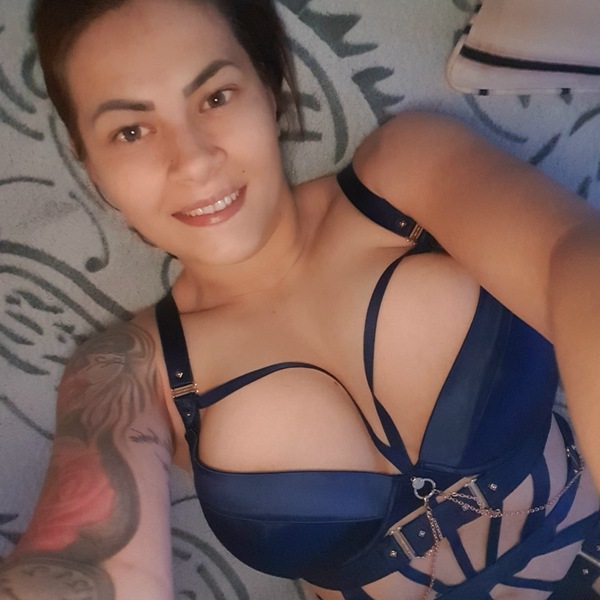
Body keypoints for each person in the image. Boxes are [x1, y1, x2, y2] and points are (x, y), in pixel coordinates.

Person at [1, 0, 600, 598]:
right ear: (92, 167)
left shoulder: (404, 178)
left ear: (270, 89)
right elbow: (82, 561)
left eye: (215, 97)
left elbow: (572, 257)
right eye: (130, 132)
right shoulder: (126, 369)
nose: (194, 161)